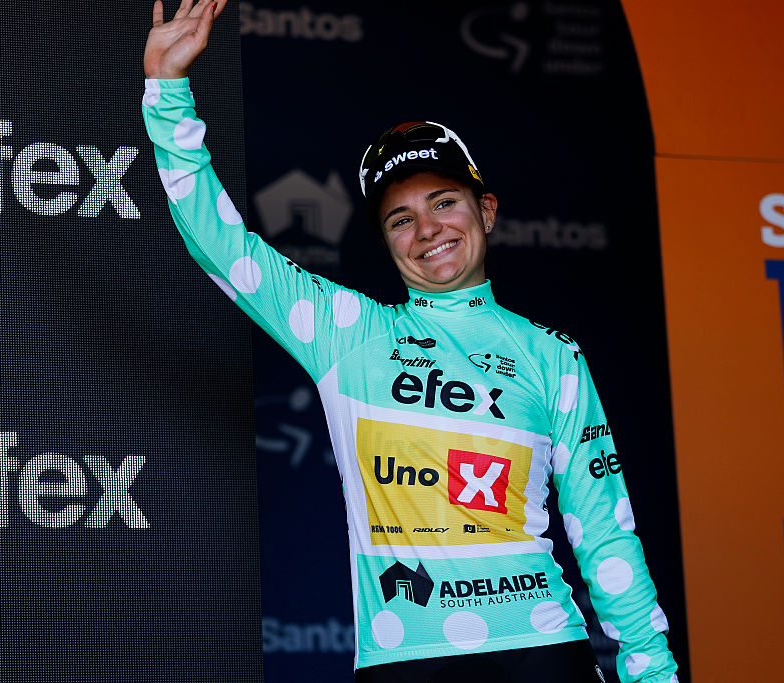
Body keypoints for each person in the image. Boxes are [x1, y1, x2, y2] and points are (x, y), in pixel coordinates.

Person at [143, 2, 679, 681]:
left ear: (485, 209)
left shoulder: (554, 354)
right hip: (405, 659)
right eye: (401, 217)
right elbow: (219, 243)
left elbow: (606, 537)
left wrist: (654, 674)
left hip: (544, 654)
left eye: (444, 201)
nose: (427, 229)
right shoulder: (349, 334)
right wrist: (166, 88)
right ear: (386, 241)